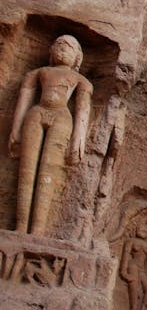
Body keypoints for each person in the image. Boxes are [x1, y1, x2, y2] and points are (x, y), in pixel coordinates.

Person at [8, 35, 92, 234]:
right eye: (59, 44)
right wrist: (15, 129)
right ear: (51, 51)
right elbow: (24, 99)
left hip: (62, 118)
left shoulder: (81, 81)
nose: (63, 48)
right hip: (35, 115)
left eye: (69, 46)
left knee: (48, 170)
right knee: (26, 169)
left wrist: (78, 140)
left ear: (77, 57)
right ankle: (20, 226)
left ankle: (37, 229)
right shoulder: (38, 73)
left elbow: (83, 111)